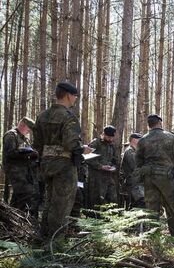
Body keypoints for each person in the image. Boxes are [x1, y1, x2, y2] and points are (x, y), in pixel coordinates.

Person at [33, 82, 84, 237]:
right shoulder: (69, 117)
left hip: (46, 165)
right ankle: (56, 245)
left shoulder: (42, 116)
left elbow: (37, 144)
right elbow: (70, 143)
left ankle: (43, 239)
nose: (75, 99)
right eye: (75, 96)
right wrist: (82, 149)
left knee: (48, 203)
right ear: (68, 95)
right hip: (64, 166)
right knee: (62, 206)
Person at [135, 114, 174, 238]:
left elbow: (138, 162)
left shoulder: (142, 140)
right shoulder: (171, 138)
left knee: (151, 210)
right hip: (167, 178)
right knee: (172, 209)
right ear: (159, 123)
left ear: (149, 125)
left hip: (149, 179)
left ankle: (153, 238)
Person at [2, 117, 40, 216]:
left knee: (21, 194)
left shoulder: (24, 138)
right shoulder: (11, 135)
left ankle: (13, 216)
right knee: (24, 192)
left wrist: (33, 154)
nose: (28, 132)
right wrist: (28, 153)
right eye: (28, 130)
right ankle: (16, 216)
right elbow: (10, 153)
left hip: (24, 170)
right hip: (14, 170)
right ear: (22, 125)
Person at [87, 125, 118, 208]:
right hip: (97, 177)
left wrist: (113, 167)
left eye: (112, 137)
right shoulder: (95, 143)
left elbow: (115, 159)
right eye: (108, 137)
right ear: (104, 134)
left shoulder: (112, 145)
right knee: (98, 200)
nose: (111, 139)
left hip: (109, 176)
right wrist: (100, 166)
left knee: (113, 198)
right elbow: (87, 157)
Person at [120, 133, 144, 209]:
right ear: (134, 140)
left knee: (136, 204)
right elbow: (136, 166)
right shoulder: (130, 151)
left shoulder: (136, 151)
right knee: (135, 204)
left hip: (137, 183)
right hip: (133, 184)